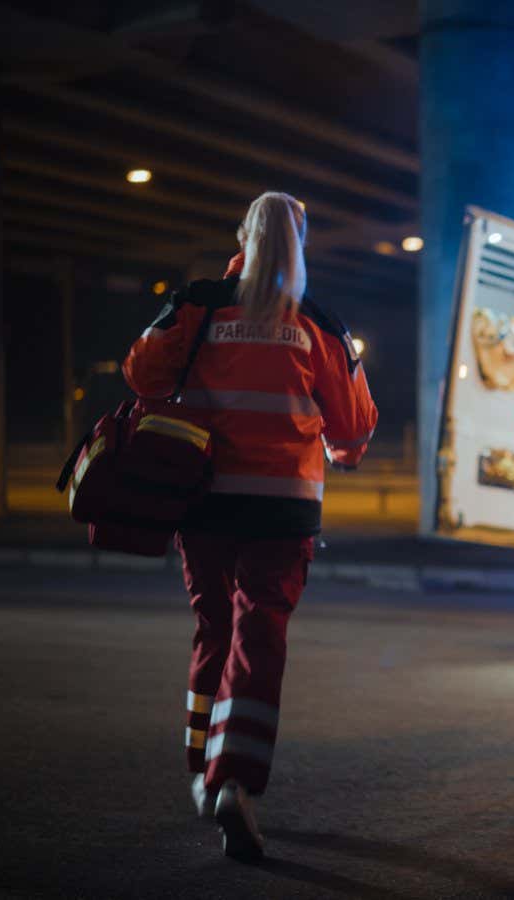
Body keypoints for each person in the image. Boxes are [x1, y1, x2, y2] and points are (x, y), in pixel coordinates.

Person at [123, 192, 378, 860]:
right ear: (302, 248)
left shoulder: (200, 302)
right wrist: (342, 454)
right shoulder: (319, 322)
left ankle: (201, 774)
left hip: (203, 501)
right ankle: (235, 778)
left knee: (214, 629)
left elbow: (141, 373)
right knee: (258, 636)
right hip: (283, 506)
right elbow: (353, 427)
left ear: (241, 236)